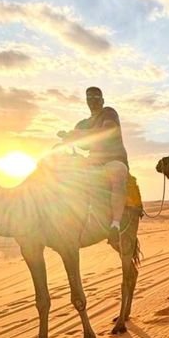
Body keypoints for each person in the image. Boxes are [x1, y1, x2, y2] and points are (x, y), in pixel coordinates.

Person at [58, 87, 129, 246]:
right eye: (90, 98)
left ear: (102, 100)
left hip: (113, 159)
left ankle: (115, 225)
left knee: (117, 173)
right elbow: (82, 145)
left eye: (96, 98)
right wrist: (67, 138)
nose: (93, 101)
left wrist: (77, 135)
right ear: (86, 101)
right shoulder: (83, 123)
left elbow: (108, 131)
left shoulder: (109, 113)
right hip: (92, 161)